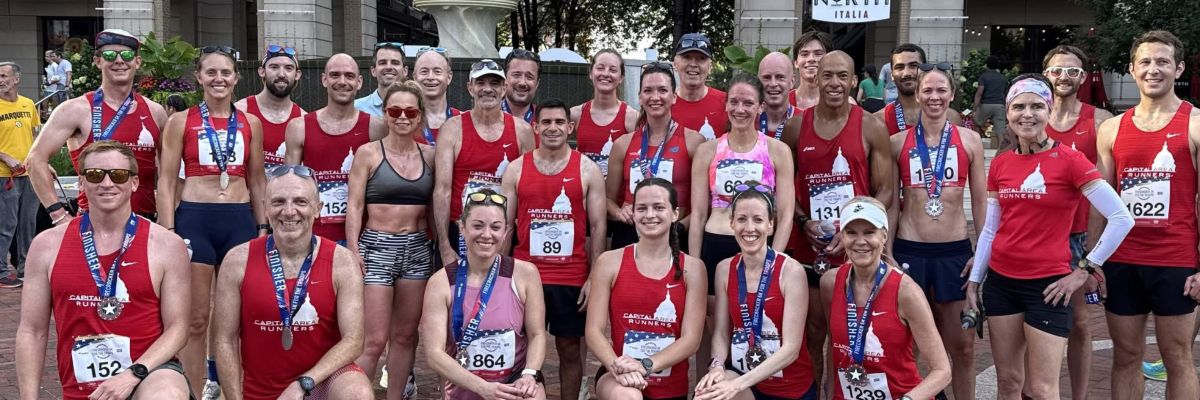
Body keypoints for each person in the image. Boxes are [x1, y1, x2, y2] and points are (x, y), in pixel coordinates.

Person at [966, 74, 1133, 399]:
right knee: (1009, 383)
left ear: (1049, 109)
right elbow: (990, 229)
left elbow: (1121, 218)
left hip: (1049, 288)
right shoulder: (1001, 163)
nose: (1027, 114)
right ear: (1008, 111)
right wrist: (974, 281)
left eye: (1036, 106)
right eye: (1018, 107)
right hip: (1001, 285)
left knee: (1042, 389)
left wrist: (1083, 270)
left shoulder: (1071, 161)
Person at [16, 141, 192, 400]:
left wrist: (133, 373)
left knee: (166, 394)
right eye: (95, 175)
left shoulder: (166, 245)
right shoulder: (46, 246)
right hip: (82, 387)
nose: (107, 183)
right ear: (81, 183)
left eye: (118, 175)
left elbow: (178, 328)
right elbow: (32, 330)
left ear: (134, 183)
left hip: (148, 374)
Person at [1092, 30, 1200, 399]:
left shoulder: (1195, 124)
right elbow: (1099, 203)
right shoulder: (1111, 128)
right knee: (1126, 356)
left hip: (1176, 261)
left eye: (1163, 62)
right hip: (1122, 260)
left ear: (1179, 68)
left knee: (1178, 357)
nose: (1154, 69)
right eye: (1146, 62)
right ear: (1132, 69)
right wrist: (1093, 261)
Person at [156, 45, 269, 398]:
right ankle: (190, 389)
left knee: (236, 316)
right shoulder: (180, 121)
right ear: (200, 78)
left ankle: (229, 385)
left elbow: (258, 179)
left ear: (236, 78)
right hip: (195, 218)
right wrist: (169, 230)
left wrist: (263, 226)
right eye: (211, 72)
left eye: (226, 73)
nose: (219, 79)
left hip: (238, 220)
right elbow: (166, 179)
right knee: (195, 318)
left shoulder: (250, 122)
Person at [780, 51, 894, 389]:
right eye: (827, 75)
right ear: (815, 78)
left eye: (842, 76)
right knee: (813, 334)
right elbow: (784, 188)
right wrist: (802, 222)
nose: (834, 83)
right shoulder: (797, 125)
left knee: (850, 336)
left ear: (854, 80)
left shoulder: (871, 125)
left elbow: (885, 190)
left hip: (855, 252)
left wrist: (852, 228)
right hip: (808, 250)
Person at [211, 164, 371, 400]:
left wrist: (304, 384)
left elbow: (354, 341)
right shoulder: (237, 260)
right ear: (265, 209)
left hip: (319, 386)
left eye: (300, 202)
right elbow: (225, 339)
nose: (289, 211)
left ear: (318, 209)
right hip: (260, 392)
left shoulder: (342, 261)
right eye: (278, 202)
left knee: (357, 392)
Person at [887, 63, 987, 400]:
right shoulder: (897, 142)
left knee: (963, 347)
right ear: (917, 94)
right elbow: (891, 203)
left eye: (941, 90)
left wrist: (981, 256)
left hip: (954, 253)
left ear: (952, 94)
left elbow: (981, 204)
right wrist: (887, 252)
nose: (934, 96)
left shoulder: (970, 141)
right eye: (927, 90)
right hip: (910, 251)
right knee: (907, 346)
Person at [501, 98, 607, 400]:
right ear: (535, 127)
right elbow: (506, 226)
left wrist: (593, 277)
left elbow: (599, 228)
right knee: (521, 349)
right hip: (525, 274)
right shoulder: (516, 169)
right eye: (546, 122)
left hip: (571, 276)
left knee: (570, 349)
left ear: (570, 127)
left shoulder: (587, 169)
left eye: (559, 122)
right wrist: (502, 274)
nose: (552, 128)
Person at [344, 80, 435, 398]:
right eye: (395, 110)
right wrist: (353, 250)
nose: (402, 117)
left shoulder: (430, 156)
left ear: (420, 116)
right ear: (385, 113)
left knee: (406, 336)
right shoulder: (368, 153)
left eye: (410, 111)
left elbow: (436, 207)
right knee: (373, 340)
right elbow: (354, 206)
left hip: (417, 251)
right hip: (376, 247)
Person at [419, 188, 549, 400]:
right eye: (477, 226)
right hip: (465, 386)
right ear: (462, 228)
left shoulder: (525, 273)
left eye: (495, 227)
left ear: (506, 232)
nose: (487, 235)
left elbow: (537, 334)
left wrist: (529, 374)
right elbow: (434, 354)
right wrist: (484, 388)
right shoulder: (441, 282)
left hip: (513, 384)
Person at [28, 29, 168, 223]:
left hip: (144, 222)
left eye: (127, 55)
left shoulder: (156, 112)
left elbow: (168, 172)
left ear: (137, 62)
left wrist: (166, 219)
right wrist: (59, 216)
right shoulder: (75, 109)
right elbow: (35, 160)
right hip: (90, 224)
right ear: (98, 61)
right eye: (110, 55)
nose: (119, 61)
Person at [586, 178, 707, 400]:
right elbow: (593, 331)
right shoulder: (610, 261)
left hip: (669, 385)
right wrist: (618, 366)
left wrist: (645, 365)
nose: (649, 214)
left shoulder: (693, 269)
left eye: (659, 207)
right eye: (641, 208)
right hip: (619, 376)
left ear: (674, 213)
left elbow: (691, 340)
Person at [1039, 44, 1115, 400]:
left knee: (1081, 324)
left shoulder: (1098, 121)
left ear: (1083, 77)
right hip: (1038, 234)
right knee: (1035, 319)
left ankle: (1079, 396)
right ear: (1046, 75)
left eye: (1072, 71)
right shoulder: (1032, 115)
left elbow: (1105, 189)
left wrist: (1094, 251)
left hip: (1078, 235)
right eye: (1057, 71)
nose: (1064, 77)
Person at [694, 183, 815, 400]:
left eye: (758, 220)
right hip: (744, 377)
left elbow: (791, 349)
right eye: (741, 219)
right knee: (709, 394)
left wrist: (735, 385)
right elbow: (721, 333)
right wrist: (717, 366)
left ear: (770, 225)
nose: (749, 228)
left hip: (788, 387)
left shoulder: (791, 271)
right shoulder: (724, 269)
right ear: (731, 223)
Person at [821, 197, 951, 400]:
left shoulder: (906, 291)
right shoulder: (830, 282)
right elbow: (834, 347)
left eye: (869, 232)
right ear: (842, 237)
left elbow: (942, 371)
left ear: (884, 236)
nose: (860, 241)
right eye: (851, 232)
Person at [689, 73, 795, 291]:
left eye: (748, 103)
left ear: (760, 107)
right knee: (713, 318)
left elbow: (785, 214)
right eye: (734, 102)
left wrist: (774, 259)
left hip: (760, 245)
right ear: (726, 104)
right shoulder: (707, 151)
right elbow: (698, 214)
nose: (740, 109)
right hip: (717, 241)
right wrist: (694, 264)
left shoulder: (778, 151)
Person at [433, 59, 536, 264]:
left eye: (494, 83)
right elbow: (442, 190)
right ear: (470, 87)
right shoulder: (452, 129)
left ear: (504, 88)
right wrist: (444, 244)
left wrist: (511, 239)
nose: (487, 89)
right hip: (461, 229)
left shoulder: (522, 131)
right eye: (481, 83)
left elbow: (527, 191)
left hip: (502, 232)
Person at [284, 54, 388, 244]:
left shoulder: (377, 128)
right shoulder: (299, 127)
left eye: (349, 76)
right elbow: (288, 186)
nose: (342, 81)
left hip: (364, 236)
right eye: (335, 75)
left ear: (359, 82)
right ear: (324, 79)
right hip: (314, 235)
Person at [605, 62, 706, 250]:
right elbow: (607, 199)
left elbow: (704, 204)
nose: (655, 97)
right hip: (630, 232)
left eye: (662, 90)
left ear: (674, 97)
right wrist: (619, 213)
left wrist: (681, 226)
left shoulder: (694, 142)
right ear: (640, 97)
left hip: (675, 233)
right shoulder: (622, 144)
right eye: (648, 91)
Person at [0, 61, 40, 288]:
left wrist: (41, 160)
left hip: (29, 174)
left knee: (28, 224)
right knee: (6, 226)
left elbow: (36, 136)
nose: (1, 80)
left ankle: (26, 268)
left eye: (4, 76)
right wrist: (5, 157)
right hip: (5, 176)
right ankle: (1, 272)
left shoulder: (28, 104)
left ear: (16, 79)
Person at [236, 44, 305, 170]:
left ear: (297, 74)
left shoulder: (304, 120)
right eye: (274, 67)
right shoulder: (240, 111)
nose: (281, 74)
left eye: (289, 68)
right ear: (262, 71)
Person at [571, 49, 639, 177]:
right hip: (585, 193)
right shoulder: (576, 114)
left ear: (621, 78)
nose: (606, 74)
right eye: (600, 68)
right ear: (591, 73)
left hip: (615, 195)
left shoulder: (632, 117)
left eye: (613, 70)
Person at [876, 44, 964, 135]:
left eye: (913, 66)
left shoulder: (951, 117)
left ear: (925, 71)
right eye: (900, 67)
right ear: (892, 75)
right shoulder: (878, 120)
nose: (906, 73)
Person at [671, 33, 727, 141]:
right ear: (675, 64)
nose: (693, 64)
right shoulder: (664, 103)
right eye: (687, 57)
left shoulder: (727, 103)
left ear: (710, 67)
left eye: (701, 58)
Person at [411, 47, 459, 146]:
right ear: (415, 78)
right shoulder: (404, 120)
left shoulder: (463, 121)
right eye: (424, 71)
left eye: (437, 71)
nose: (430, 77)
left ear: (449, 77)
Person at [355, 42, 408, 117]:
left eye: (395, 63)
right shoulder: (357, 108)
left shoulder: (416, 107)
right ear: (373, 71)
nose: (389, 67)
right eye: (382, 63)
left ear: (405, 71)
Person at [756, 52, 797, 140]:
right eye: (766, 77)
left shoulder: (805, 120)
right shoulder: (748, 119)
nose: (773, 84)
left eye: (780, 77)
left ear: (792, 82)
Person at [789, 31, 832, 111]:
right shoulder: (783, 102)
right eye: (804, 54)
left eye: (818, 54)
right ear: (795, 62)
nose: (811, 59)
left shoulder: (842, 104)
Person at [973, 55, 1009, 146]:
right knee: (1000, 130)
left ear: (987, 65)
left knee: (977, 124)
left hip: (985, 105)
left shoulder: (983, 77)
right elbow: (1007, 93)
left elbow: (979, 92)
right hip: (1000, 105)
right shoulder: (1003, 78)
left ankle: (977, 147)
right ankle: (1002, 152)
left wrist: (975, 107)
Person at [502, 49, 541, 125]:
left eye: (529, 77)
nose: (522, 83)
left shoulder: (544, 119)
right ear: (504, 79)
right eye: (516, 75)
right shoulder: (486, 116)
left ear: (537, 84)